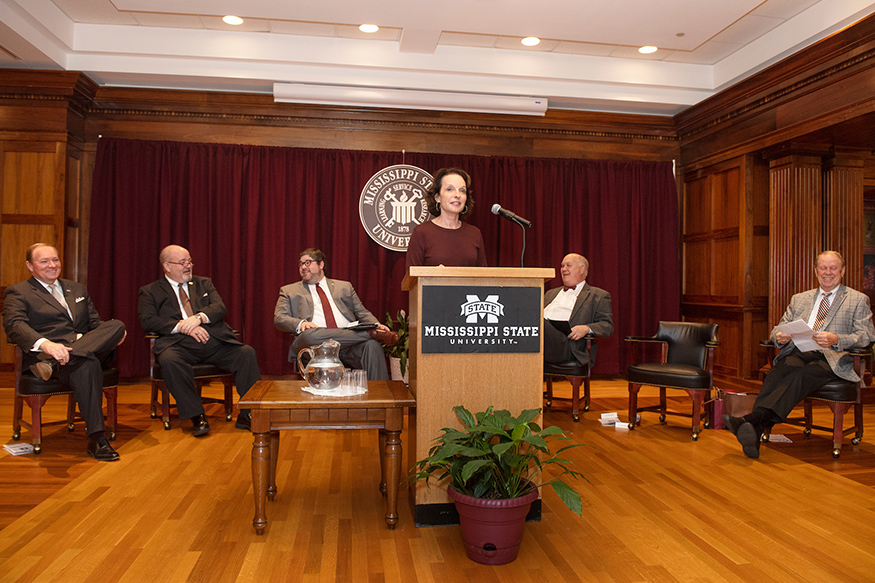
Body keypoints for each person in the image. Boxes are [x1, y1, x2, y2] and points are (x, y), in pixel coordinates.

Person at [723, 250, 875, 459]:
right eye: (823, 268)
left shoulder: (857, 300)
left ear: (843, 271)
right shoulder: (800, 299)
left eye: (833, 268)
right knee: (778, 372)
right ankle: (755, 426)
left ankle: (750, 422)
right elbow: (778, 329)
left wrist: (837, 339)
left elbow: (867, 336)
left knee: (801, 376)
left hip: (834, 358)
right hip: (800, 350)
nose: (827, 272)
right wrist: (780, 337)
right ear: (815, 271)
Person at [3, 243, 126, 461]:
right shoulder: (18, 292)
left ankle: (54, 365)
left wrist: (110, 334)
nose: (52, 265)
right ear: (29, 266)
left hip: (68, 356)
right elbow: (14, 325)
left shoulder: (76, 288)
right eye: (44, 261)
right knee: (87, 364)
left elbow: (95, 323)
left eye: (55, 260)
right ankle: (98, 439)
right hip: (49, 353)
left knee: (117, 325)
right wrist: (45, 344)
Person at [138, 245, 262, 435]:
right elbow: (148, 320)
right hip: (178, 344)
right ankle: (197, 416)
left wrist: (198, 318)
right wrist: (183, 326)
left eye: (189, 261)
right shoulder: (150, 291)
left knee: (246, 353)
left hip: (213, 341)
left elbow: (219, 308)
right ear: (167, 266)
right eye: (182, 262)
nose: (188, 266)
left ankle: (248, 413)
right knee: (170, 361)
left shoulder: (204, 284)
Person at [274, 248, 398, 381]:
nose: (303, 267)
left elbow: (361, 312)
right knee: (309, 335)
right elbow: (279, 318)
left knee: (372, 346)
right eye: (300, 264)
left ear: (321, 264)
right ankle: (368, 334)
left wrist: (376, 324)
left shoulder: (344, 287)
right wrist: (301, 323)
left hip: (349, 344)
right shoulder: (289, 290)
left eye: (308, 262)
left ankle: (380, 398)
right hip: (316, 344)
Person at [406, 167, 488, 268]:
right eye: (450, 189)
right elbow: (411, 280)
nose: (457, 195)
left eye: (462, 190)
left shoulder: (475, 233)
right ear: (437, 197)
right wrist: (433, 276)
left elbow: (483, 278)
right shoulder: (421, 233)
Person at [543, 253, 614, 367]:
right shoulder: (550, 293)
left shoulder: (598, 295)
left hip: (568, 345)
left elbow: (607, 326)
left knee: (535, 320)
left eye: (568, 265)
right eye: (562, 266)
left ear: (582, 269)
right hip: (540, 339)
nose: (563, 269)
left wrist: (586, 328)